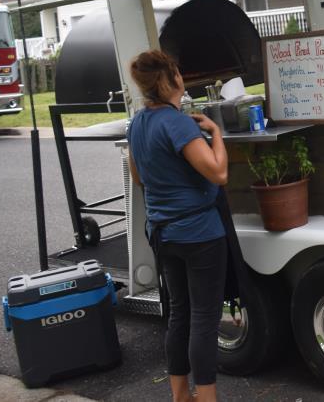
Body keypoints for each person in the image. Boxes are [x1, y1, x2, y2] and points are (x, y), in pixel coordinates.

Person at [127, 50, 229, 402]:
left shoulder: (137, 124)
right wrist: (216, 133)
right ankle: (208, 398)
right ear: (172, 80)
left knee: (179, 315)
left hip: (163, 233)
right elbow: (218, 172)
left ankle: (181, 396)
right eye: (178, 72)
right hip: (200, 234)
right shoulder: (178, 123)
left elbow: (138, 178)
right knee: (204, 318)